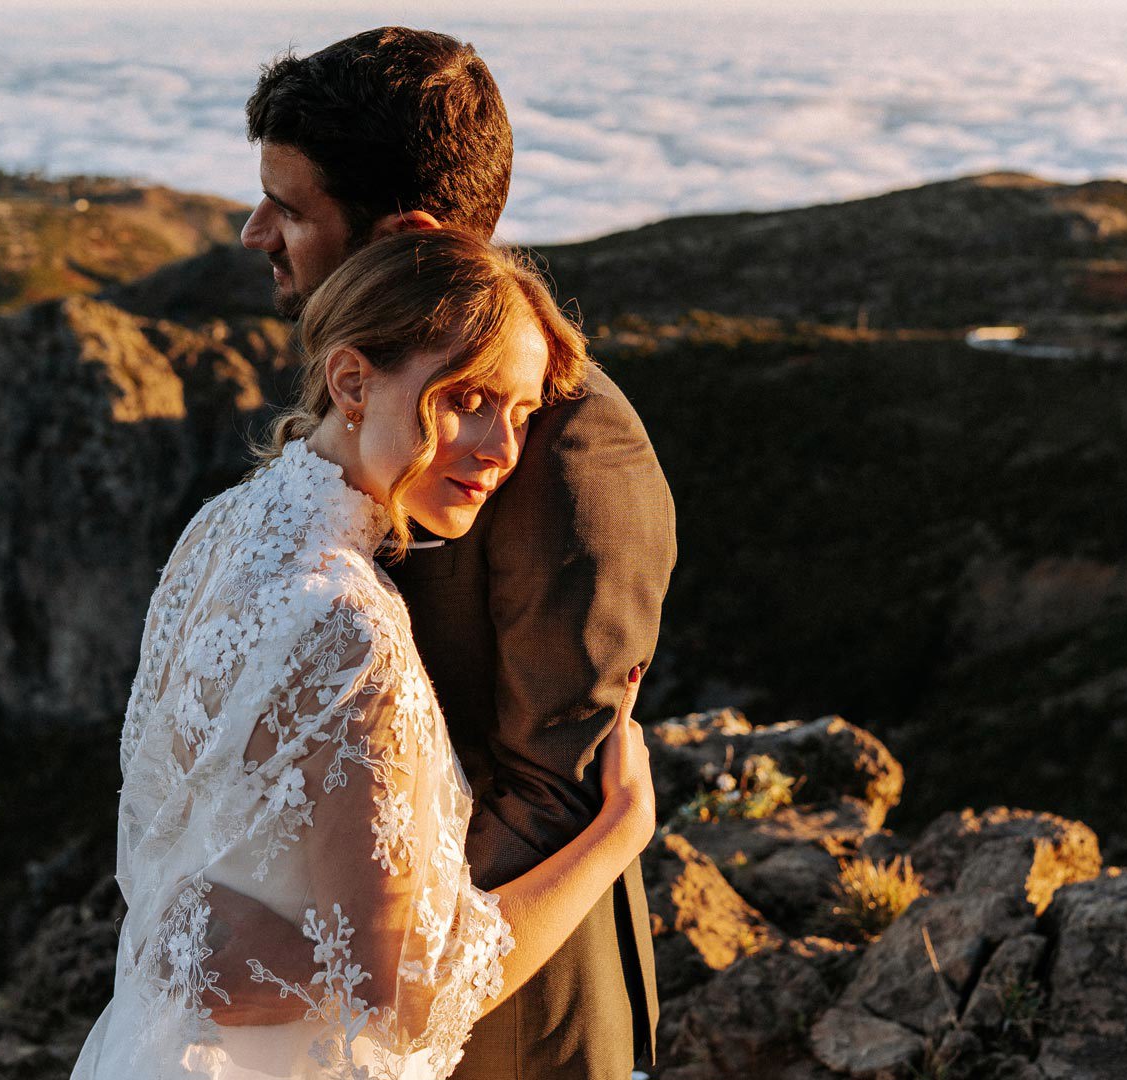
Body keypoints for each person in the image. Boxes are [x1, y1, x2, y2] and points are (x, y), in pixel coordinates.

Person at [69, 230, 656, 1079]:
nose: (502, 448)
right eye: (469, 398)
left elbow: (163, 830)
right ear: (351, 381)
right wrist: (618, 833)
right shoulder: (350, 633)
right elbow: (401, 996)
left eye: (522, 413)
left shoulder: (218, 530)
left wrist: (201, 948)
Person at [240, 27, 675, 1080]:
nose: (255, 233)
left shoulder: (572, 442)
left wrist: (345, 957)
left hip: (506, 1033)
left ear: (407, 234)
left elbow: (552, 791)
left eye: (290, 209)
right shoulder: (355, 401)